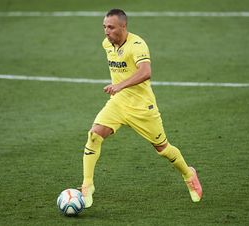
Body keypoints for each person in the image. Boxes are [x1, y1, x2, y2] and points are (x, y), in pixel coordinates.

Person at [81, 8, 202, 208]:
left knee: (162, 149)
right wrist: (119, 90)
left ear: (123, 26)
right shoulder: (106, 44)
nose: (106, 31)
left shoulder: (137, 45)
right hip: (119, 103)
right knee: (94, 135)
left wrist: (119, 85)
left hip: (142, 108)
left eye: (111, 27)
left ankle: (189, 174)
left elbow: (145, 72)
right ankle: (87, 185)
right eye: (104, 27)